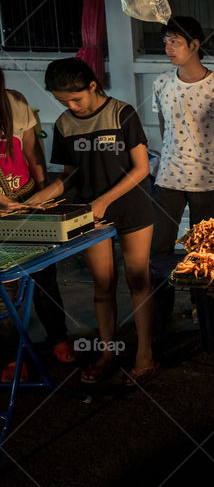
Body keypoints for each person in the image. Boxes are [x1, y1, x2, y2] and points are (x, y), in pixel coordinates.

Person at [26, 58, 157, 385]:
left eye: (76, 99)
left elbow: (142, 168)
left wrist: (104, 200)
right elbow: (69, 177)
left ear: (93, 86)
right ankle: (108, 353)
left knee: (138, 280)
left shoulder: (122, 113)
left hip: (132, 208)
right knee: (102, 286)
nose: (72, 106)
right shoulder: (64, 125)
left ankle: (145, 354)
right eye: (63, 101)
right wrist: (36, 200)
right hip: (89, 213)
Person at [150, 16, 214, 332]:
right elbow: (164, 126)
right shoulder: (161, 83)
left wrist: (204, 146)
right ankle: (161, 320)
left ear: (194, 45)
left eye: (175, 41)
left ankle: (206, 320)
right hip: (168, 178)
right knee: (158, 251)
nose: (168, 48)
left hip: (205, 180)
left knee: (204, 251)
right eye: (165, 42)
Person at [0, 69, 77, 382]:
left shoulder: (15, 103)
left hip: (27, 198)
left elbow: (33, 152)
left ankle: (57, 338)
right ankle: (9, 356)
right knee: (6, 285)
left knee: (44, 274)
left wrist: (43, 190)